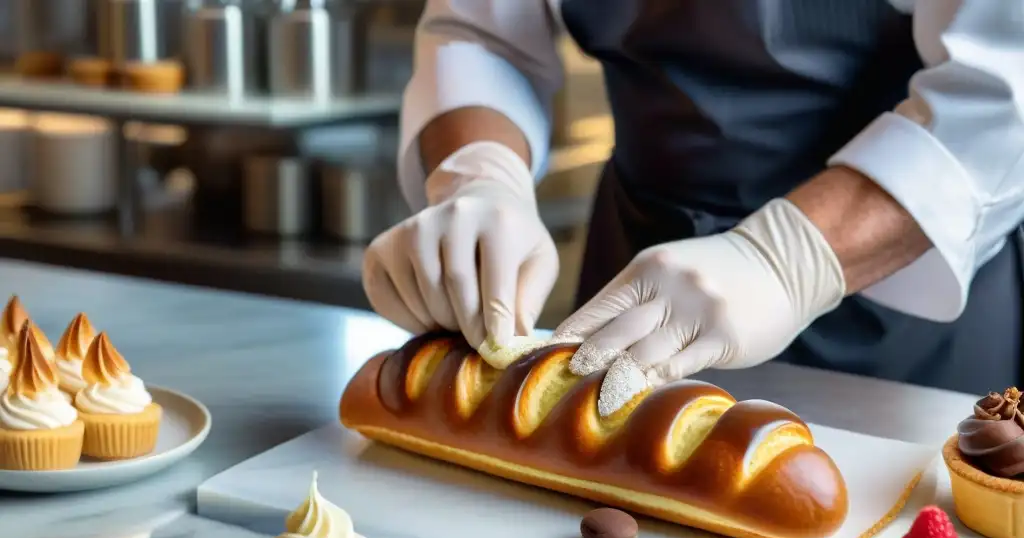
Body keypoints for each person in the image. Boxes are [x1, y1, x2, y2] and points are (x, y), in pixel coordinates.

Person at [363, 0, 1024, 415]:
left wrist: (784, 262)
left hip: (893, 295)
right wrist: (481, 174)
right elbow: (483, 35)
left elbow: (1002, 92)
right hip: (636, 268)